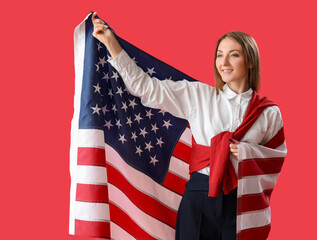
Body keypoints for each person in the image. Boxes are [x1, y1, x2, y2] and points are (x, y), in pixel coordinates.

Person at [91, 12, 287, 240]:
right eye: (219, 55)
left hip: (241, 201)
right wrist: (111, 43)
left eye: (233, 55)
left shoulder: (269, 112)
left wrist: (247, 153)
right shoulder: (198, 95)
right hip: (200, 196)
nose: (223, 63)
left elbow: (275, 158)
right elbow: (145, 88)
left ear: (250, 60)